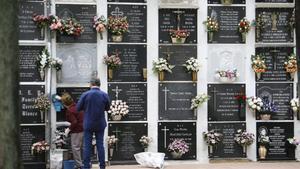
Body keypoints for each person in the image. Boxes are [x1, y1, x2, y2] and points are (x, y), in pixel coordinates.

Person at [77, 78, 110, 169]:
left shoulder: (85, 94)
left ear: (91, 84)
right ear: (99, 84)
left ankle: (86, 166)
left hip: (88, 123)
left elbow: (78, 108)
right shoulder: (104, 95)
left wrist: (86, 107)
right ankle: (102, 166)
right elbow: (107, 108)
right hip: (100, 123)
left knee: (87, 145)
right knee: (100, 144)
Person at [61, 93, 84, 169]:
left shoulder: (70, 110)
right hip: (83, 129)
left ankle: (79, 166)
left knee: (75, 148)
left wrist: (68, 129)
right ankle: (83, 163)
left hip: (77, 130)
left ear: (64, 103)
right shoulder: (77, 106)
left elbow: (74, 122)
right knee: (81, 148)